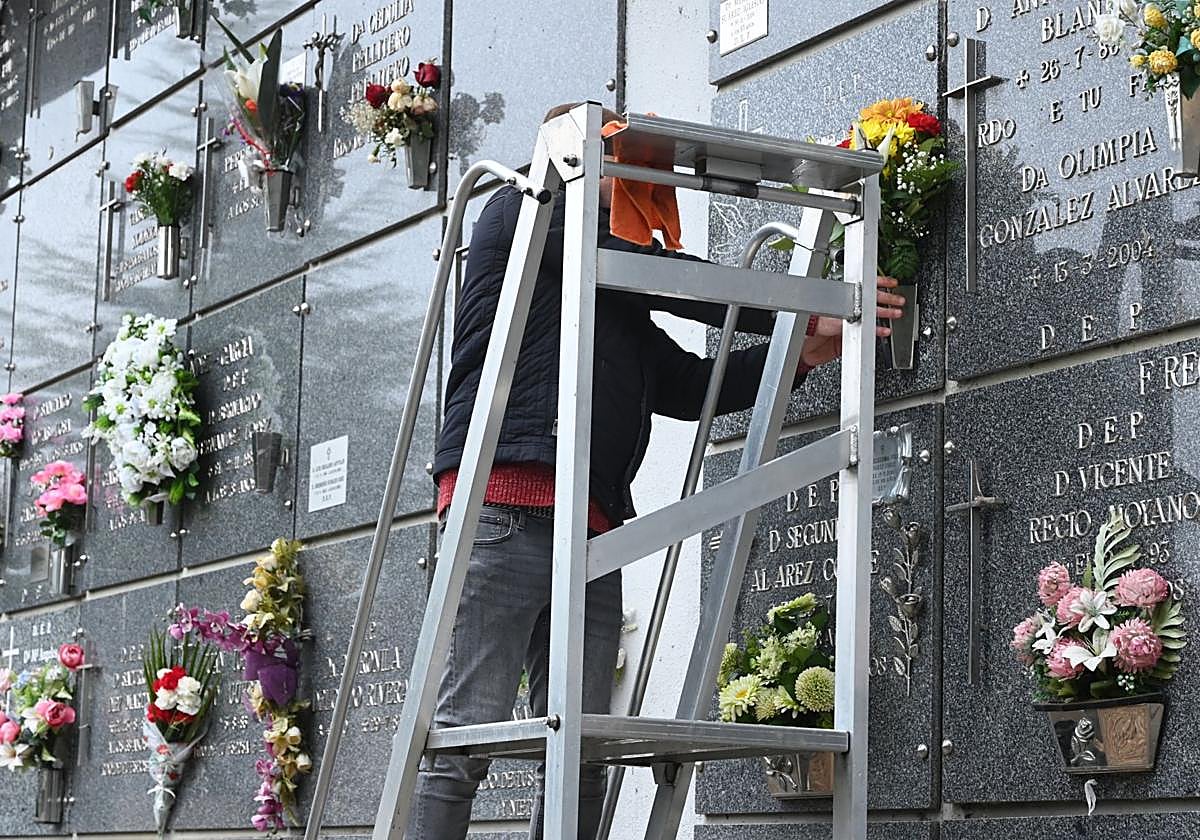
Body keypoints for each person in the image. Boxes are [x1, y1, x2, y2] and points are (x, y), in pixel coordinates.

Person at [409, 103, 907, 840]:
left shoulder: (610, 292)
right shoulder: (523, 210)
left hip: (590, 533)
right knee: (461, 738)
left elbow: (686, 385)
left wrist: (803, 353)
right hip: (504, 509)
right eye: (626, 166)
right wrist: (808, 305)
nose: (644, 190)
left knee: (579, 749)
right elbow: (673, 281)